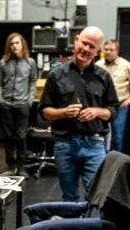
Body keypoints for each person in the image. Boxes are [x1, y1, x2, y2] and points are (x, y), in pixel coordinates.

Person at [40, 27, 118, 201]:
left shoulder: (103, 77)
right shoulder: (56, 75)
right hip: (64, 144)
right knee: (69, 197)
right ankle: (71, 228)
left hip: (94, 144)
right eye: (84, 43)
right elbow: (45, 111)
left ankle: (90, 228)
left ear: (98, 51)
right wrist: (64, 112)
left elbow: (113, 111)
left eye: (92, 47)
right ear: (76, 40)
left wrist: (97, 112)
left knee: (97, 196)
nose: (86, 49)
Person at [0, 33, 39, 174]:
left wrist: (29, 101)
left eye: (17, 43)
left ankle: (21, 167)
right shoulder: (3, 63)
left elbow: (33, 82)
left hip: (22, 104)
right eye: (11, 44)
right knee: (8, 137)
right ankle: (10, 166)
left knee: (21, 136)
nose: (14, 46)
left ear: (22, 44)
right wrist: (0, 100)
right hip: (6, 104)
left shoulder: (30, 62)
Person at [99, 39, 130, 153]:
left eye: (111, 50)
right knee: (100, 136)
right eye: (106, 49)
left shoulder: (124, 65)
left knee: (117, 138)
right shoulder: (98, 65)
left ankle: (115, 165)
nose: (108, 52)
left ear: (117, 51)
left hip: (119, 106)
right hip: (101, 107)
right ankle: (100, 163)